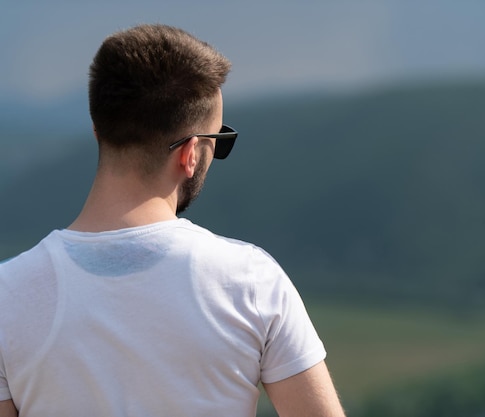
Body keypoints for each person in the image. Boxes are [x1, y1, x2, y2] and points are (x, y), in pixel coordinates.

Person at [0, 24, 345, 417]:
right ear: (190, 154)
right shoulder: (251, 282)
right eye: (219, 141)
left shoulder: (8, 296)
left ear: (99, 133)